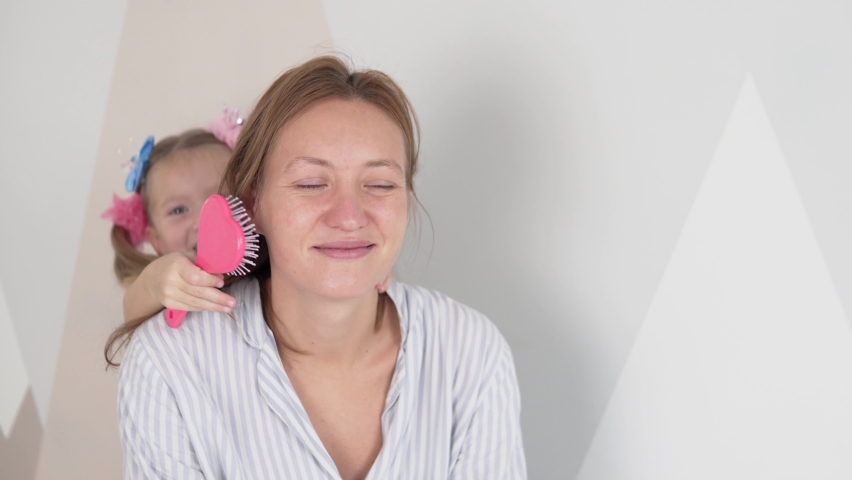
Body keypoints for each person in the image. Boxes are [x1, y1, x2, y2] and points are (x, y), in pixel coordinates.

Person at [112, 56, 527, 479]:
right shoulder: (170, 366)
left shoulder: (470, 354)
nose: (349, 217)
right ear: (253, 204)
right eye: (312, 184)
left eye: (380, 184)